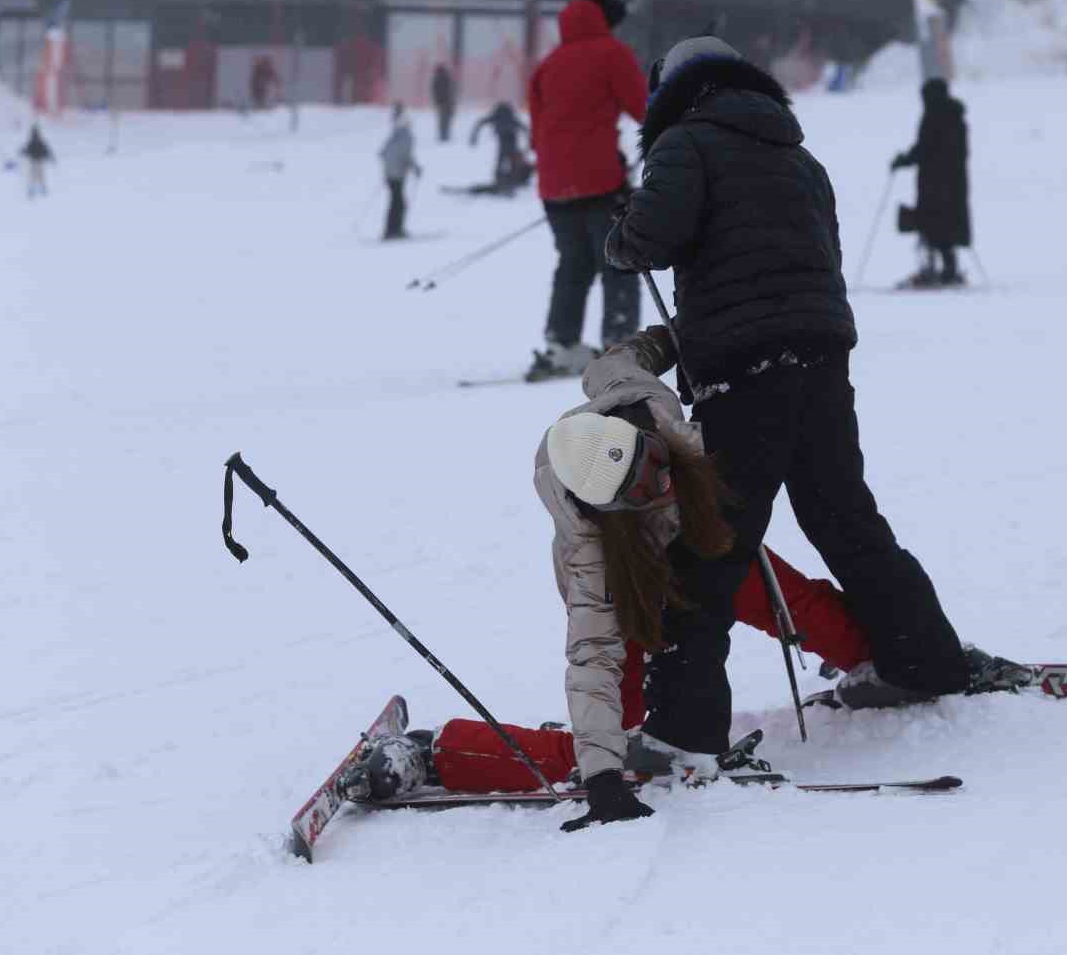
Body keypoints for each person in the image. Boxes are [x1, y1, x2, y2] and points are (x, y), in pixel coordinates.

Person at [604, 36, 1027, 773]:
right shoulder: (801, 158)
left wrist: (622, 232)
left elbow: (651, 238)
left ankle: (682, 730)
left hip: (741, 370)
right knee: (844, 516)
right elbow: (815, 256)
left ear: (669, 92)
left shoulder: (684, 144)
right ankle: (925, 660)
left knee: (708, 542)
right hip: (823, 357)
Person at [337, 328, 932, 830]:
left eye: (657, 471)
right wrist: (602, 780)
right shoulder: (590, 543)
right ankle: (441, 752)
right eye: (645, 496)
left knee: (782, 594)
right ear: (611, 509)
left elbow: (618, 360)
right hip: (634, 580)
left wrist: (679, 335)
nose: (662, 489)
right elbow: (591, 652)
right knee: (625, 746)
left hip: (701, 538)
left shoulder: (641, 403)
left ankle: (881, 656)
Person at [526, 0, 648, 381]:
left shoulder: (547, 66)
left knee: (572, 264)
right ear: (607, 19)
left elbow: (537, 130)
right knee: (618, 260)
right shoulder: (612, 53)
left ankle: (561, 344)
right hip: (601, 182)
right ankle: (620, 343)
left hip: (553, 187)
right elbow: (645, 108)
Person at [891, 78, 971, 288]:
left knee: (932, 225)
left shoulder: (934, 116)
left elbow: (924, 149)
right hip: (953, 184)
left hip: (935, 185)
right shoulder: (956, 118)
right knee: (945, 227)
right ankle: (946, 269)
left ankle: (934, 270)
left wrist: (904, 160)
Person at [378, 103, 421, 240]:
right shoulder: (406, 136)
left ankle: (391, 229)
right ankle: (394, 230)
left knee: (396, 201)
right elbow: (405, 156)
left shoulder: (395, 134)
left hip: (390, 173)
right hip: (396, 174)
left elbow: (382, 153)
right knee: (399, 203)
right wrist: (415, 168)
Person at [468, 101, 531, 194]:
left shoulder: (497, 117)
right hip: (510, 144)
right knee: (508, 163)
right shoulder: (511, 118)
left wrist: (474, 137)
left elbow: (481, 123)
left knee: (503, 162)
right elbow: (524, 129)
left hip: (506, 144)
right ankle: (508, 183)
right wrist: (530, 142)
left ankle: (504, 182)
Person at [21, 124, 54, 199]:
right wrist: (50, 157)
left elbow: (27, 150)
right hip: (37, 161)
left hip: (36, 161)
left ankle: (36, 189)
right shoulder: (38, 141)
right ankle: (39, 189)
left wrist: (23, 151)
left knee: (35, 176)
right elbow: (46, 151)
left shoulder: (34, 141)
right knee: (39, 175)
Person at [431, 63, 456, 143]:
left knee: (443, 120)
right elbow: (452, 90)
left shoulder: (437, 79)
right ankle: (445, 136)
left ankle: (443, 136)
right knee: (446, 120)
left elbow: (434, 92)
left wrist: (436, 101)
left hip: (442, 103)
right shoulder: (448, 78)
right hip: (447, 103)